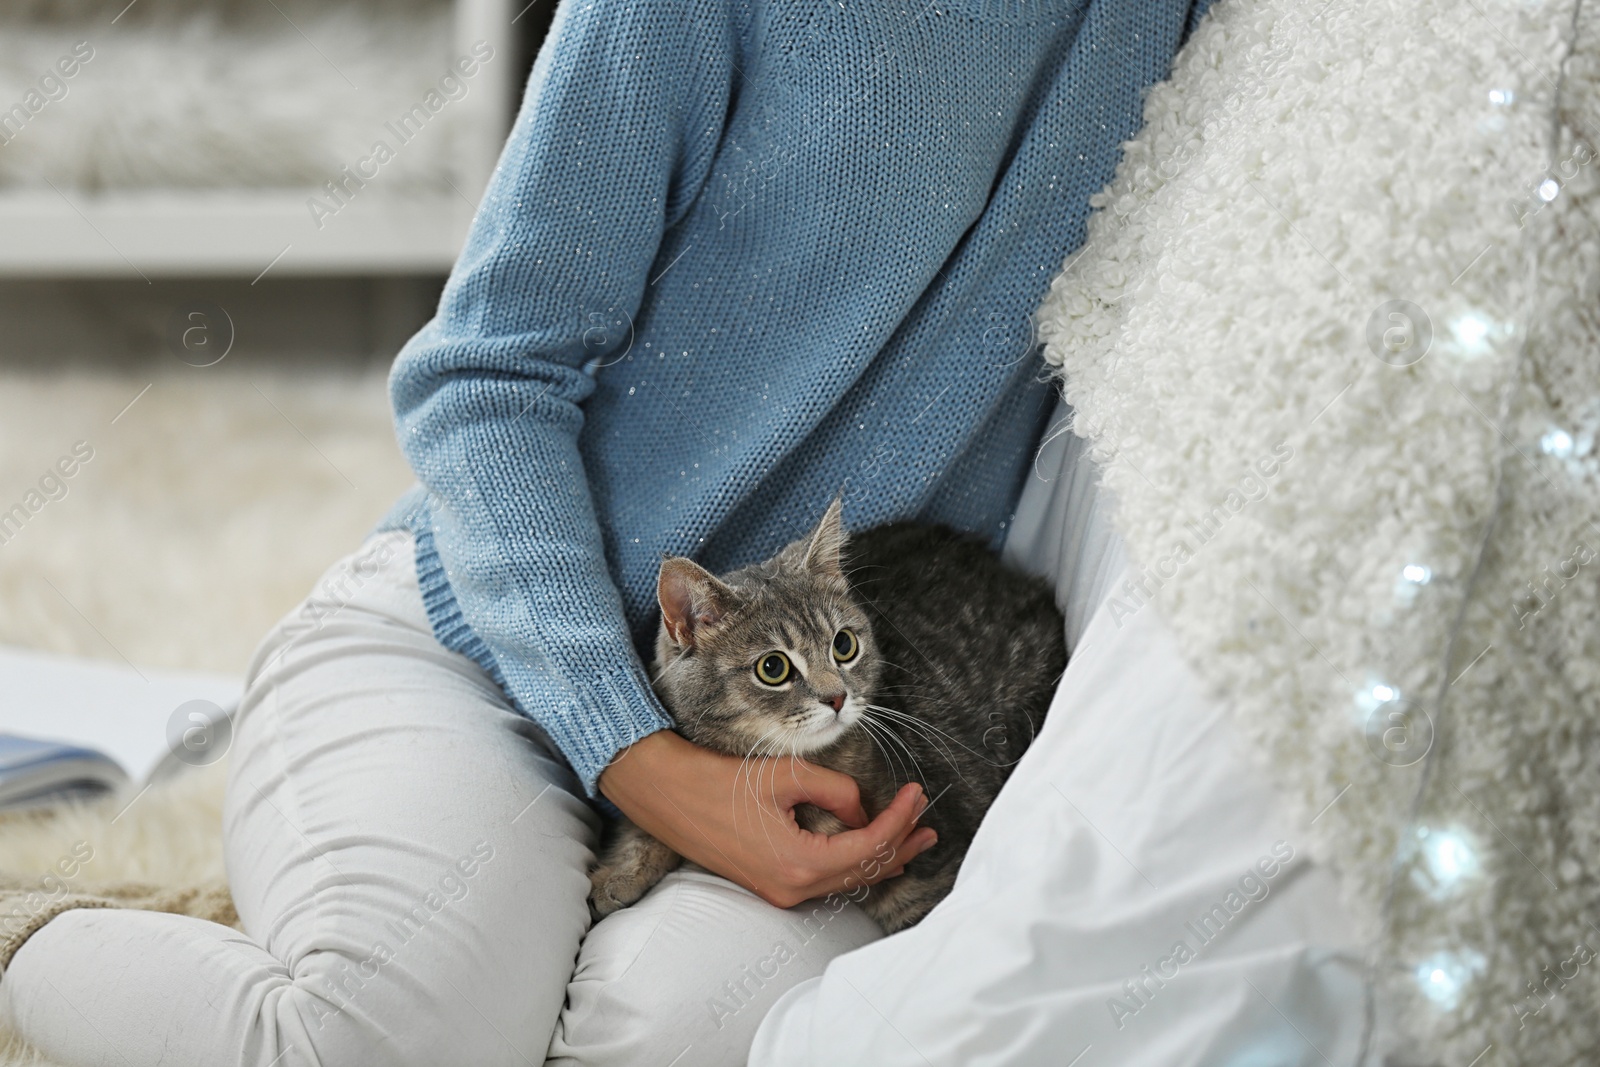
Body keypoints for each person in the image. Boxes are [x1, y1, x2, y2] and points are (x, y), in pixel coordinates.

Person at [0, 1, 1208, 1063]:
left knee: (673, 1038)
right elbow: (484, 375)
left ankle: (424, 936)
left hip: (817, 741)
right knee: (389, 1042)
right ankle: (34, 927)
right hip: (482, 642)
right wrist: (633, 752)